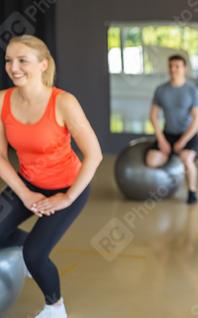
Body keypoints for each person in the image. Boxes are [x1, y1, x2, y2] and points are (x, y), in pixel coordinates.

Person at [0, 35, 102, 318]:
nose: (13, 67)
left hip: (69, 186)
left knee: (35, 255)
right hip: (28, 183)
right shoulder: (1, 101)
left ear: (43, 64)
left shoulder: (63, 102)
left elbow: (94, 155)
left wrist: (67, 197)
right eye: (9, 60)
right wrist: (25, 193)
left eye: (23, 60)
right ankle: (22, 246)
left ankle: (55, 308)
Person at [145, 54, 198, 204]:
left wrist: (183, 142)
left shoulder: (193, 90)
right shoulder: (161, 90)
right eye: (171, 66)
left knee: (187, 159)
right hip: (168, 134)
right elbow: (153, 116)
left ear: (184, 68)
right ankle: (164, 180)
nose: (173, 69)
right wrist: (162, 140)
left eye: (177, 66)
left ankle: (192, 192)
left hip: (187, 134)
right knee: (151, 161)